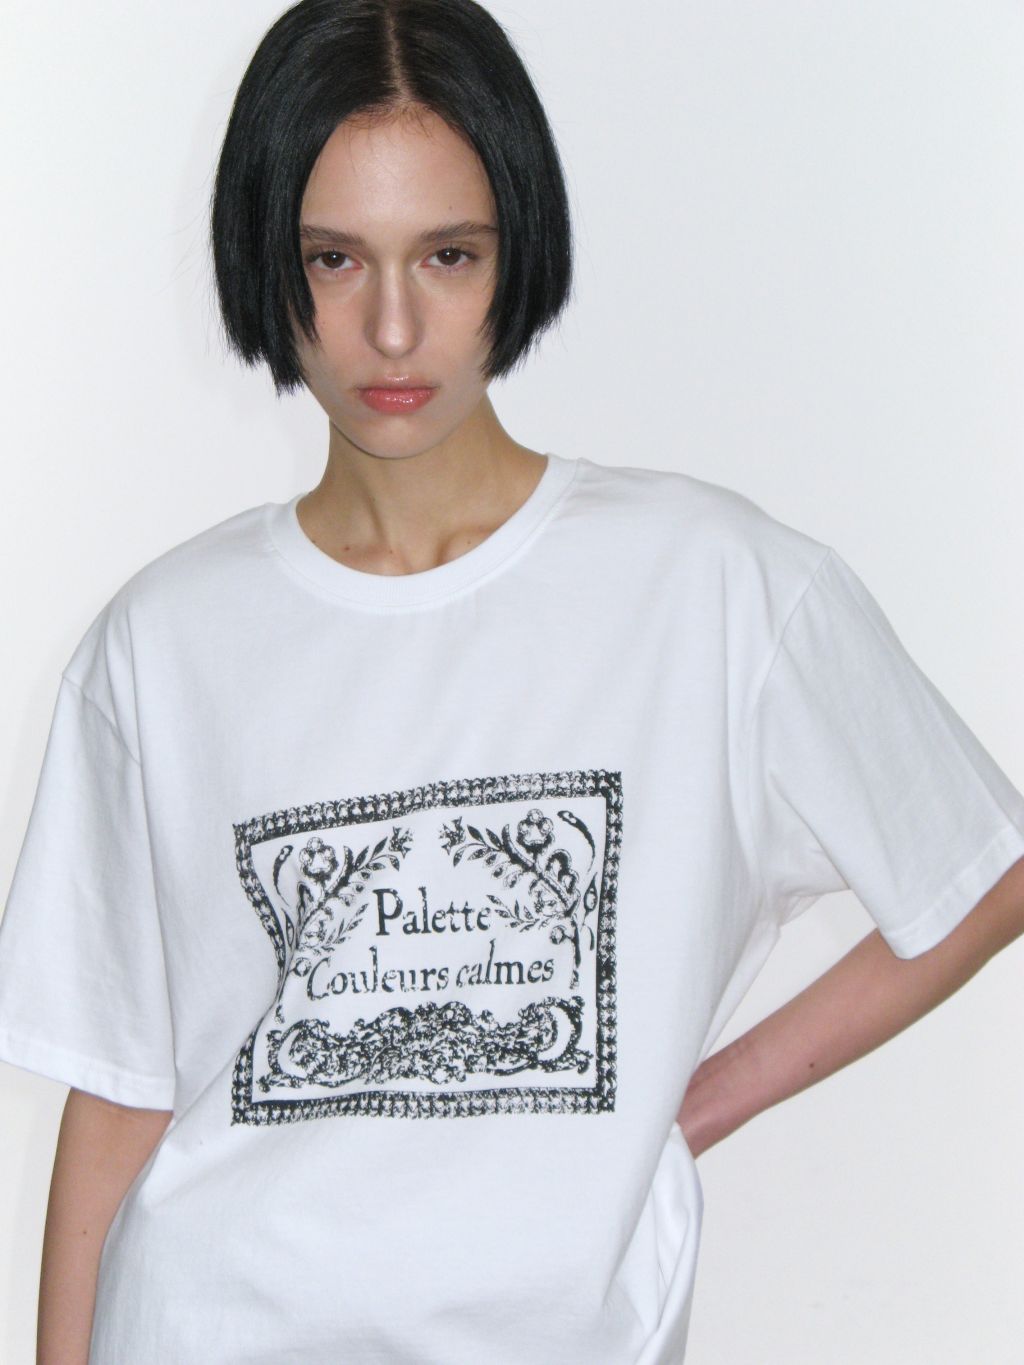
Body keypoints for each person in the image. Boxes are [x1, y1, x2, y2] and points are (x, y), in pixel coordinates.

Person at [1, 1, 1022, 1361]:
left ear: (517, 247)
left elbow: (977, 871)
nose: (394, 327)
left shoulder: (710, 585)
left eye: (449, 254)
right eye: (333, 259)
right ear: (266, 261)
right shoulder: (163, 641)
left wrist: (689, 1107)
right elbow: (121, 1096)